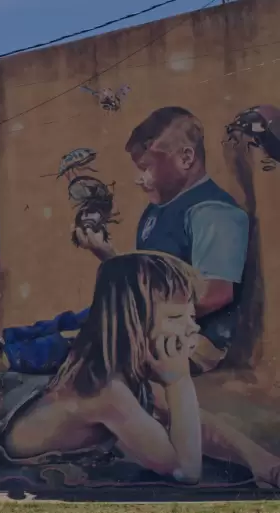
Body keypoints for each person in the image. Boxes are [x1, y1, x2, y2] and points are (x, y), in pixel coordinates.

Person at [1, 252, 280, 487]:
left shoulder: (124, 374)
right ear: (131, 326)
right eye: (175, 317)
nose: (192, 327)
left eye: (191, 315)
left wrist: (265, 463)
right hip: (21, 465)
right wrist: (179, 381)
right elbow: (186, 471)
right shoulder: (106, 392)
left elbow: (199, 424)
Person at [74, 107, 250, 374]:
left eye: (147, 168)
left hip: (192, 341)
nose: (140, 179)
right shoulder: (157, 210)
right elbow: (150, 282)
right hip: (151, 323)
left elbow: (215, 295)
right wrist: (108, 255)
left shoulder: (212, 212)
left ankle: (9, 356)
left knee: (73, 345)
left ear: (186, 158)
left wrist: (135, 317)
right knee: (68, 323)